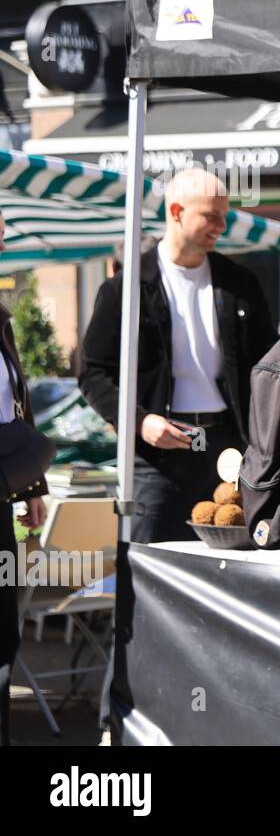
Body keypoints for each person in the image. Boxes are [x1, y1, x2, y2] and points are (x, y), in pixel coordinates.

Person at [79, 168, 276, 542]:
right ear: (176, 211)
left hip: (228, 448)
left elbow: (268, 366)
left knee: (228, 568)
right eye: (211, 214)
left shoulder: (239, 283)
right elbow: (93, 373)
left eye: (225, 214)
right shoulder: (126, 288)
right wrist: (138, 421)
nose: (221, 224)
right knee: (148, 566)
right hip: (156, 456)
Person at [0, 208, 50, 745]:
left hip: (3, 490)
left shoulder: (1, 317)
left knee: (3, 631)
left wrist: (32, 487)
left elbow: (15, 404)